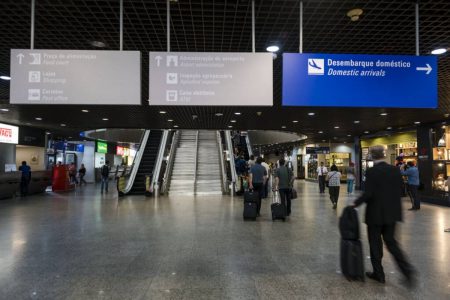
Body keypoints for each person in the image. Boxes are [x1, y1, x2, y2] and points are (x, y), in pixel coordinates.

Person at [353, 146, 415, 285]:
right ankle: (407, 270)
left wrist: (355, 204)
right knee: (391, 242)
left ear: (371, 156)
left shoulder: (372, 172)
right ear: (384, 155)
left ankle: (379, 274)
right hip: (392, 213)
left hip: (375, 214)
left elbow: (368, 194)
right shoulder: (394, 170)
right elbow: (401, 191)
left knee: (375, 244)